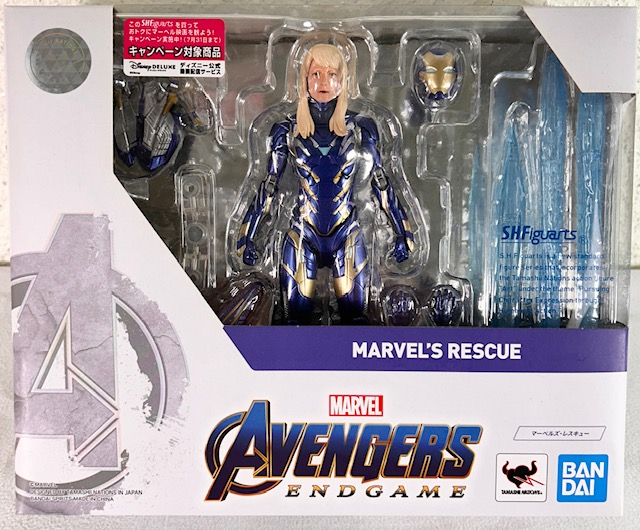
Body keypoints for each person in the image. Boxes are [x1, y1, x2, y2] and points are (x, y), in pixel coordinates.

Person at [237, 43, 415, 324]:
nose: (323, 82)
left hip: (346, 232)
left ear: (343, 80)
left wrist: (403, 234)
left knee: (355, 320)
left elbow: (380, 181)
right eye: (316, 74)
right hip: (303, 233)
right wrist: (247, 237)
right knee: (294, 320)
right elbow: (269, 185)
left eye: (332, 74)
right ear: (305, 79)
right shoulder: (286, 129)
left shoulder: (361, 127)